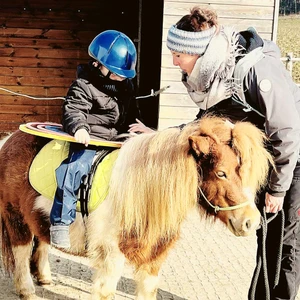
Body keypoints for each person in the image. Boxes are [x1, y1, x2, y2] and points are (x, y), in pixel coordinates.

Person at [132, 6, 300, 300]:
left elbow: (287, 132)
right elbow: (204, 122)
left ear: (198, 53)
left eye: (178, 55)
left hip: (293, 158)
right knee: (265, 235)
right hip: (267, 157)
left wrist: (279, 189)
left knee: (287, 239)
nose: (174, 62)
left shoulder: (254, 71)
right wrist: (160, 136)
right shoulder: (216, 79)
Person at [50, 30, 141, 249]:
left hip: (117, 139)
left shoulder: (126, 86)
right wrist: (79, 128)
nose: (121, 77)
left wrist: (137, 128)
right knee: (73, 169)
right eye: (117, 73)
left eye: (124, 74)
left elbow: (131, 113)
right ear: (99, 64)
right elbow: (73, 110)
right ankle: (61, 222)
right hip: (90, 139)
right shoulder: (83, 85)